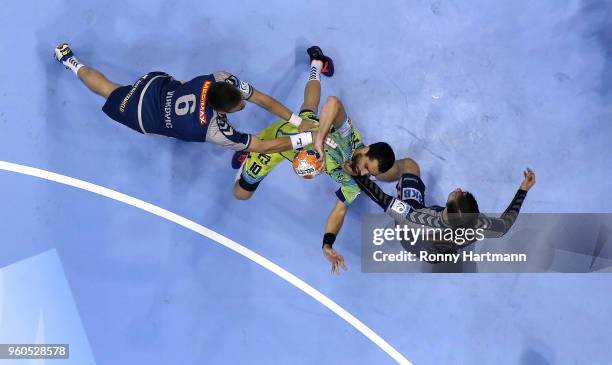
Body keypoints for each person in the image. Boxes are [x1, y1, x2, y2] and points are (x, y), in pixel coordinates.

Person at [232, 47, 396, 274]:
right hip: (276, 143)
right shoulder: (350, 139)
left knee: (308, 108)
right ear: (365, 149)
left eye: (371, 174)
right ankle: (251, 150)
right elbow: (333, 103)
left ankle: (317, 64)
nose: (364, 173)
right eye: (367, 166)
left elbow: (339, 211)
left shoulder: (354, 183)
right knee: (241, 194)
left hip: (305, 127)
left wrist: (327, 244)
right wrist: (319, 140)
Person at [53, 43, 319, 153]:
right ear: (221, 112)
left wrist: (298, 121)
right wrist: (309, 138)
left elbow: (259, 97)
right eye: (241, 104)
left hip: (155, 85)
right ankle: (71, 65)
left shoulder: (218, 79)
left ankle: (69, 60)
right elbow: (261, 146)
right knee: (105, 91)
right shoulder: (215, 131)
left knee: (109, 87)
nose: (244, 102)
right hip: (143, 113)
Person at [341, 157, 536, 263]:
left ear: (449, 208)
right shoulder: (477, 225)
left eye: (456, 194)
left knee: (410, 165)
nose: (458, 189)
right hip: (437, 255)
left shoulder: (416, 219)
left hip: (411, 238)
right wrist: (523, 190)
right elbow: (504, 226)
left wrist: (358, 175)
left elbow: (381, 198)